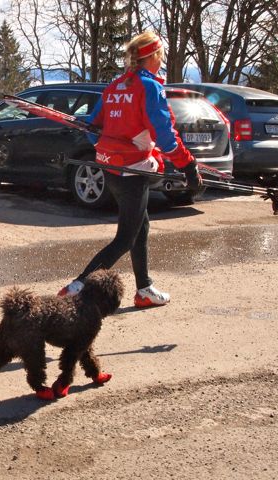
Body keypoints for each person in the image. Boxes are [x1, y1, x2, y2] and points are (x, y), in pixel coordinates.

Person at [58, 31, 202, 307]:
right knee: (125, 238)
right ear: (154, 56)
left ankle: (144, 288)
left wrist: (109, 147)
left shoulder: (115, 86)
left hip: (111, 169)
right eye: (161, 55)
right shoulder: (150, 87)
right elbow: (166, 135)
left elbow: (92, 127)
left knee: (141, 226)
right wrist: (188, 166)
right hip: (133, 171)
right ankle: (78, 286)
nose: (162, 61)